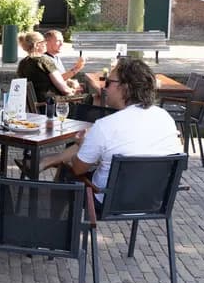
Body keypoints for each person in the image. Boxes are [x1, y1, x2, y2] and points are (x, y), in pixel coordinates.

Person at [40, 58, 181, 207]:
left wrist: (82, 145)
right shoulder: (165, 117)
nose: (104, 88)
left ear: (124, 87)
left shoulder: (105, 125)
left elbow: (78, 168)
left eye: (108, 83)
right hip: (152, 200)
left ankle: (60, 227)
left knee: (66, 172)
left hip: (109, 200)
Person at [16, 31, 78, 98]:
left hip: (36, 104)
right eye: (44, 42)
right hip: (51, 103)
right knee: (87, 98)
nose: (46, 44)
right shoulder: (44, 60)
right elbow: (64, 89)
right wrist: (73, 91)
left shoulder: (22, 63)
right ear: (37, 45)